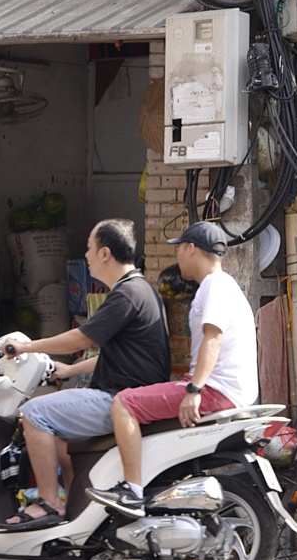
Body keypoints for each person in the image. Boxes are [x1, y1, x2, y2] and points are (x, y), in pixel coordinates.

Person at [0, 219, 170, 527]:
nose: (86, 255)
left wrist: (25, 348)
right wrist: (70, 369)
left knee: (34, 413)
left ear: (105, 253)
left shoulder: (127, 293)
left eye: (89, 248)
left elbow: (83, 338)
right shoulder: (140, 289)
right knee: (59, 435)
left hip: (120, 400)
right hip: (125, 393)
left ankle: (49, 503)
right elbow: (121, 354)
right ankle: (77, 504)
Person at [88, 221, 258, 518]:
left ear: (191, 248)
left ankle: (132, 490)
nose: (177, 256)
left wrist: (194, 390)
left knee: (124, 403)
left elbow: (213, 339)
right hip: (229, 391)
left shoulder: (214, 285)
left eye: (179, 248)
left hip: (216, 390)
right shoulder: (225, 285)